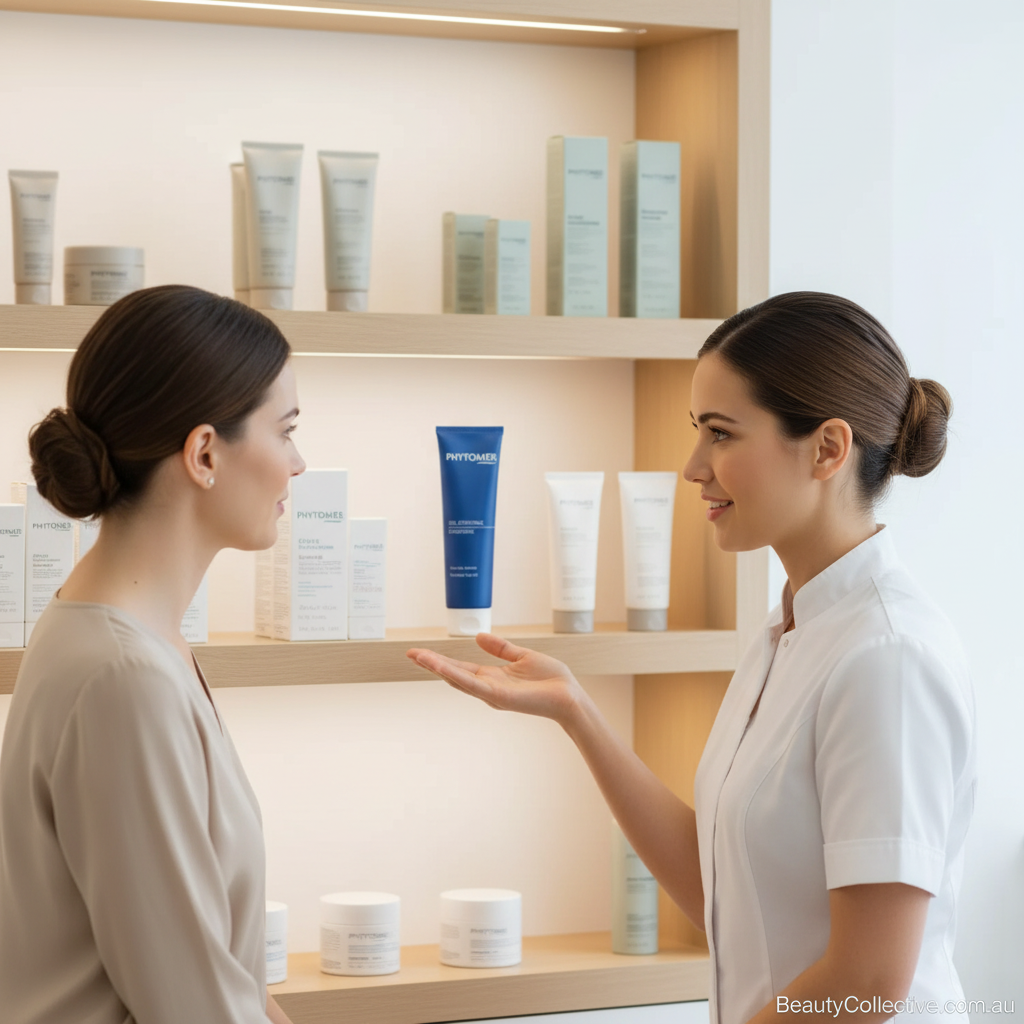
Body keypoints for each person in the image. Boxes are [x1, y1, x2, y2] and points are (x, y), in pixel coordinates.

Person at [408, 292, 976, 1024]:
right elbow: (725, 896)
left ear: (828, 448)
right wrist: (577, 712)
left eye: (721, 434)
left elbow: (866, 981)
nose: (692, 467)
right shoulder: (789, 633)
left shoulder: (888, 659)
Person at [0, 285, 304, 1024]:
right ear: (204, 453)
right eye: (286, 429)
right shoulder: (123, 677)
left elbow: (214, 972)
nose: (298, 463)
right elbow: (191, 1005)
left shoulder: (131, 642)